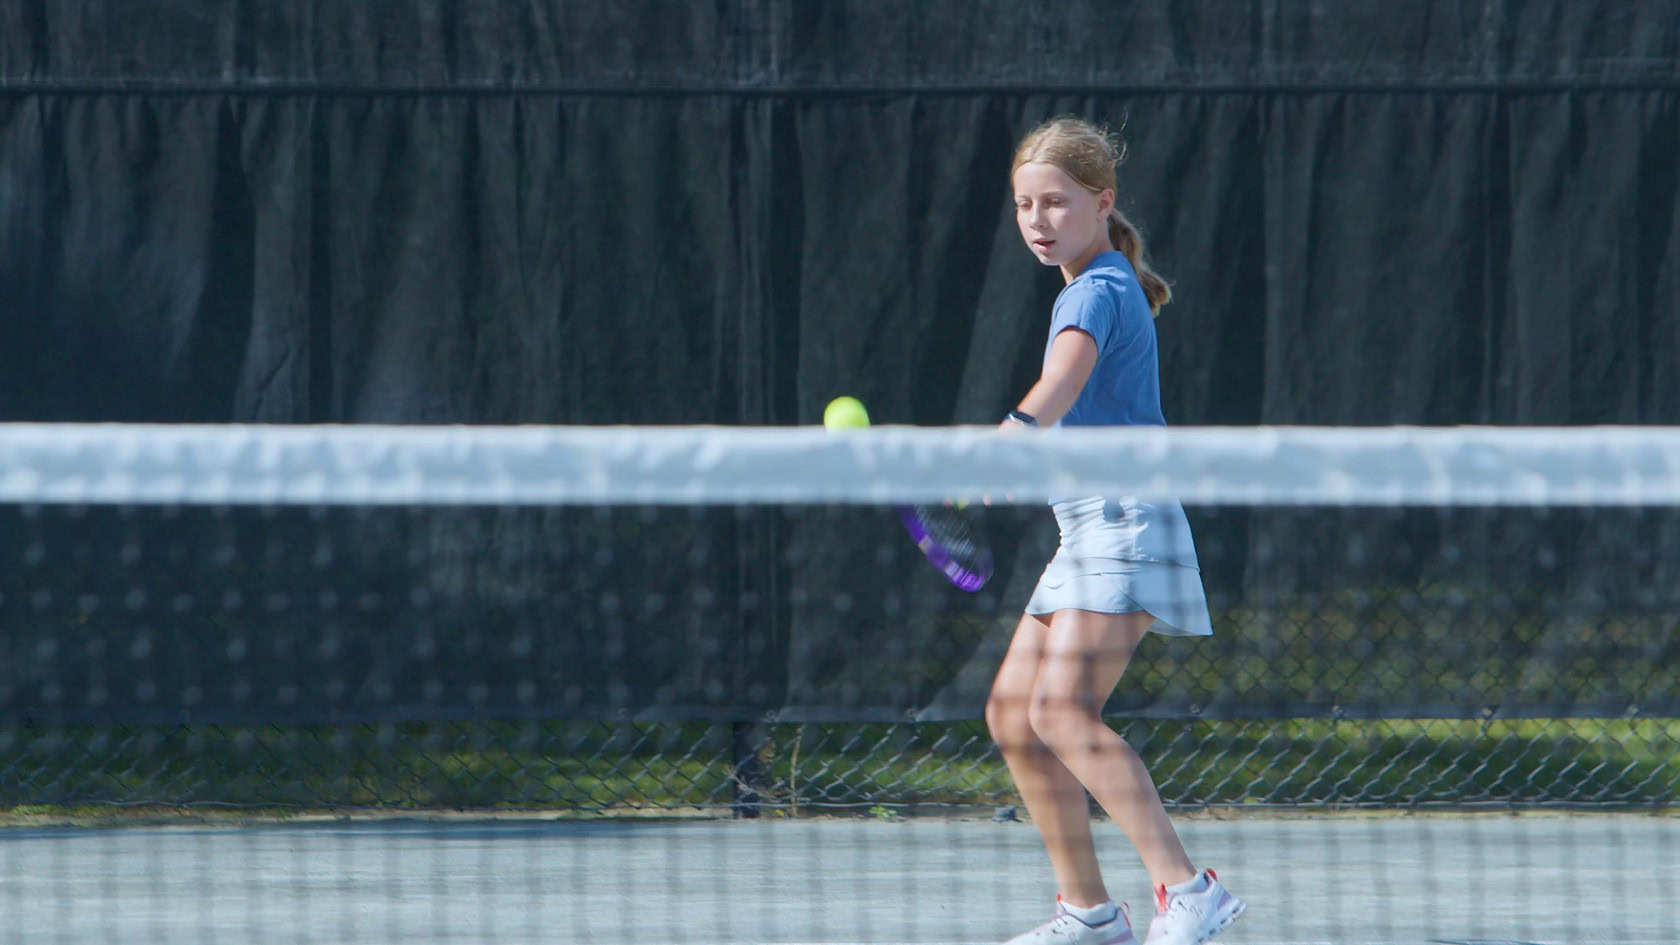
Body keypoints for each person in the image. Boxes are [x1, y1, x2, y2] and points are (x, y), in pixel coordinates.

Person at [988, 117, 1245, 945]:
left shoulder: (1098, 286)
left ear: (1102, 203)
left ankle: (1189, 890)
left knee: (1061, 710)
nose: (1038, 219)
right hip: (1084, 529)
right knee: (1011, 715)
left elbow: (1061, 377)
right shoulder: (1087, 281)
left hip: (1127, 524)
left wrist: (1019, 433)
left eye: (1056, 202)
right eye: (1026, 204)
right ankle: (1090, 913)